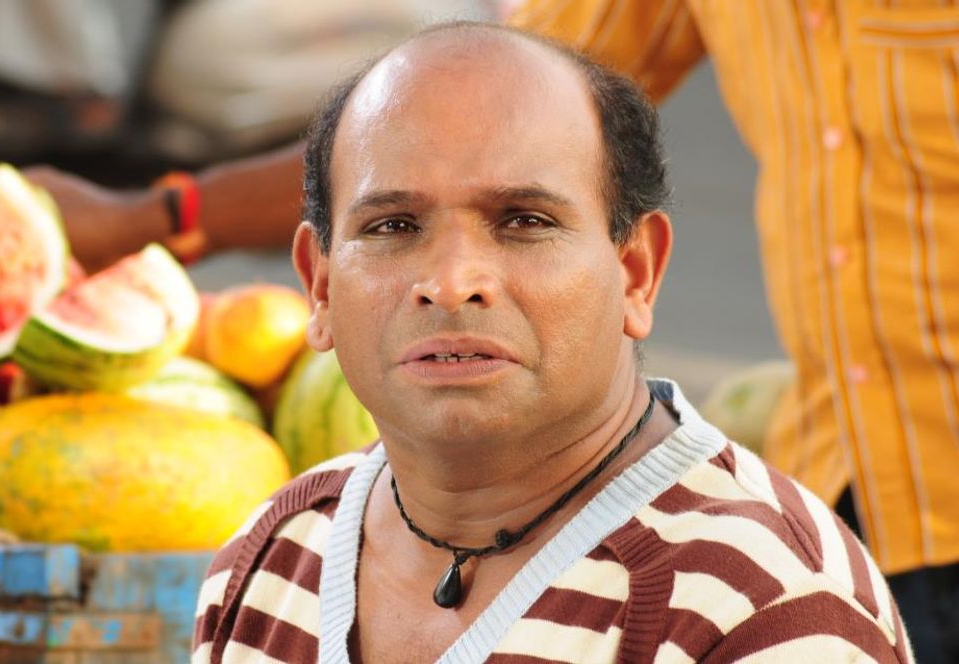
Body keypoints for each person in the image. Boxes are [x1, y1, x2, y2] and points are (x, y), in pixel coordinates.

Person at [191, 22, 912, 663]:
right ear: (320, 287)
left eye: (524, 221)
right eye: (393, 226)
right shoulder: (270, 560)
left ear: (635, 273)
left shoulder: (762, 607)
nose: (451, 283)